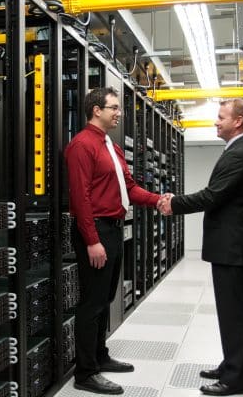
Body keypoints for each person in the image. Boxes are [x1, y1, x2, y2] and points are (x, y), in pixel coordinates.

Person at [158, 98, 243, 396]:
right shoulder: (239, 150)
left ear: (238, 121)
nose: (215, 122)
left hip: (232, 246)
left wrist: (173, 204)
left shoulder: (241, 154)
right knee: (232, 311)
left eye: (220, 117)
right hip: (231, 245)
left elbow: (211, 196)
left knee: (234, 313)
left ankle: (235, 378)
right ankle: (232, 364)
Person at [65, 87, 161, 395]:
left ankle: (100, 356)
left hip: (114, 228)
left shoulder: (111, 146)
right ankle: (85, 373)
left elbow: (129, 188)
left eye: (119, 108)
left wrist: (158, 200)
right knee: (91, 303)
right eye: (114, 108)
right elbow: (80, 198)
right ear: (96, 110)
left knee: (105, 298)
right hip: (95, 231)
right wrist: (92, 240)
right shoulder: (82, 145)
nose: (119, 113)